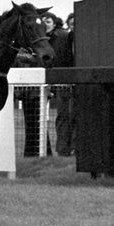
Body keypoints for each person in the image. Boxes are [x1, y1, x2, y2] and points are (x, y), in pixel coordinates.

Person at [46, 12, 75, 156]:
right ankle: (63, 149)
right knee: (63, 115)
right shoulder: (62, 38)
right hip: (64, 83)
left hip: (76, 82)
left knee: (74, 116)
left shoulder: (63, 37)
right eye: (71, 25)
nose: (73, 28)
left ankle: (74, 148)